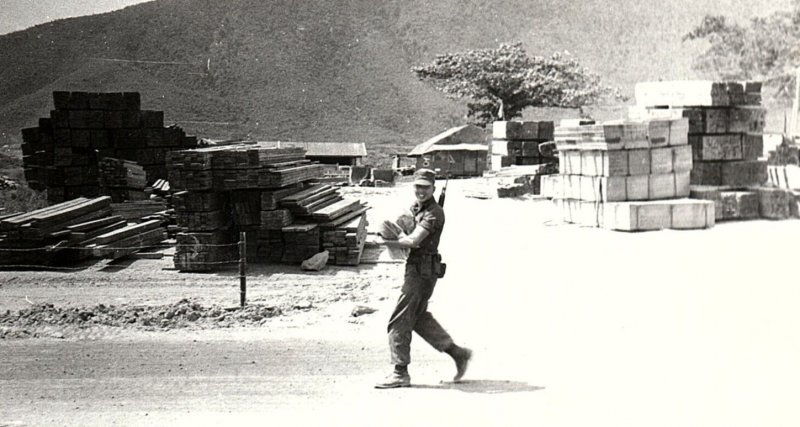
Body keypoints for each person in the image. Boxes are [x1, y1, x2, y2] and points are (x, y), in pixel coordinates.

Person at [375, 168, 472, 389]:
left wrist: (385, 243)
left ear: (433, 189)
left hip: (422, 271)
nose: (420, 191)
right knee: (417, 317)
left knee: (399, 320)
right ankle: (458, 353)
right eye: (417, 186)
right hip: (420, 269)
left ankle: (400, 373)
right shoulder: (420, 209)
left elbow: (413, 242)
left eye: (425, 187)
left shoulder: (434, 213)